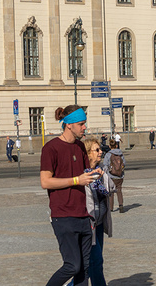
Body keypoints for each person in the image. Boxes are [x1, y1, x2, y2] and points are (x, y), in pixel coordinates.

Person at [40, 105, 100, 286]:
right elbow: (45, 182)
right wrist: (76, 181)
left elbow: (84, 175)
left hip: (83, 214)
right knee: (72, 266)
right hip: (63, 215)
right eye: (81, 124)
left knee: (84, 270)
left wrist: (95, 173)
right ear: (69, 125)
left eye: (85, 124)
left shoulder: (80, 146)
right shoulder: (51, 148)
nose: (84, 128)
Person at [82, 136, 116, 286]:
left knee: (95, 263)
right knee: (95, 261)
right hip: (89, 225)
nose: (100, 152)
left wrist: (103, 177)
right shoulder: (82, 174)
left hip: (100, 223)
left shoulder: (101, 170)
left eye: (100, 149)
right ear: (88, 153)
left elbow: (111, 189)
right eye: (97, 150)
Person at [106, 139, 126, 211]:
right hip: (120, 176)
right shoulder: (120, 154)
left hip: (111, 176)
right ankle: (121, 205)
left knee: (111, 192)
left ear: (109, 146)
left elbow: (105, 165)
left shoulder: (108, 154)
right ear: (116, 145)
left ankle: (111, 208)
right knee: (119, 190)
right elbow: (124, 164)